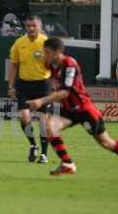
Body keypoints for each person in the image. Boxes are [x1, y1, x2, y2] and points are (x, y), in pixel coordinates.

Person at [27, 37, 118, 175]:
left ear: (57, 52)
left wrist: (41, 101)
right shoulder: (51, 65)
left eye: (47, 52)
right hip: (69, 110)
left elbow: (65, 92)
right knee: (50, 126)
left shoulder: (70, 64)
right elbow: (46, 71)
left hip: (84, 109)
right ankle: (67, 163)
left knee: (106, 143)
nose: (45, 55)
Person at [8, 15, 51, 163]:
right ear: (25, 27)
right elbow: (14, 65)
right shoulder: (19, 43)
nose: (31, 28)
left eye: (34, 26)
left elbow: (55, 63)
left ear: (40, 27)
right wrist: (11, 86)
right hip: (24, 84)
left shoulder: (46, 43)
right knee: (24, 117)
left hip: (43, 84)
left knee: (43, 120)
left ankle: (44, 154)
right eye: (29, 26)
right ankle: (33, 145)